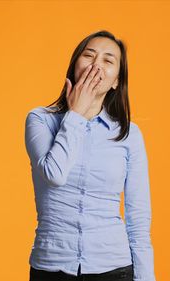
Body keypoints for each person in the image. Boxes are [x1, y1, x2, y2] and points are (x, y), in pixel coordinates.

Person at [24, 30, 155, 281]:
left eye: (108, 60)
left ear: (116, 81)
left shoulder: (129, 135)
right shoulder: (40, 120)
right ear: (74, 66)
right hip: (52, 268)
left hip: (114, 269)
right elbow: (54, 174)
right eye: (89, 56)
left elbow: (138, 217)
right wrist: (77, 114)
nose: (96, 65)